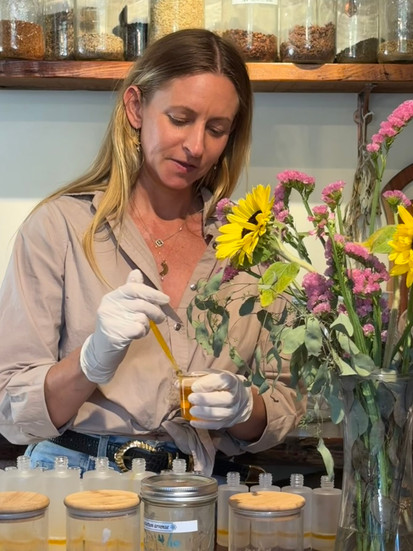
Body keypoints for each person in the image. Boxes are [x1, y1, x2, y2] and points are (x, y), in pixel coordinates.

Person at [0, 28, 304, 479]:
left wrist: (244, 407)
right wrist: (89, 360)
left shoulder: (254, 245)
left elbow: (286, 403)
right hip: (75, 478)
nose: (196, 146)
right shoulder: (59, 228)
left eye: (216, 129)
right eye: (180, 119)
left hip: (199, 485)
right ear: (136, 107)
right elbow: (11, 408)